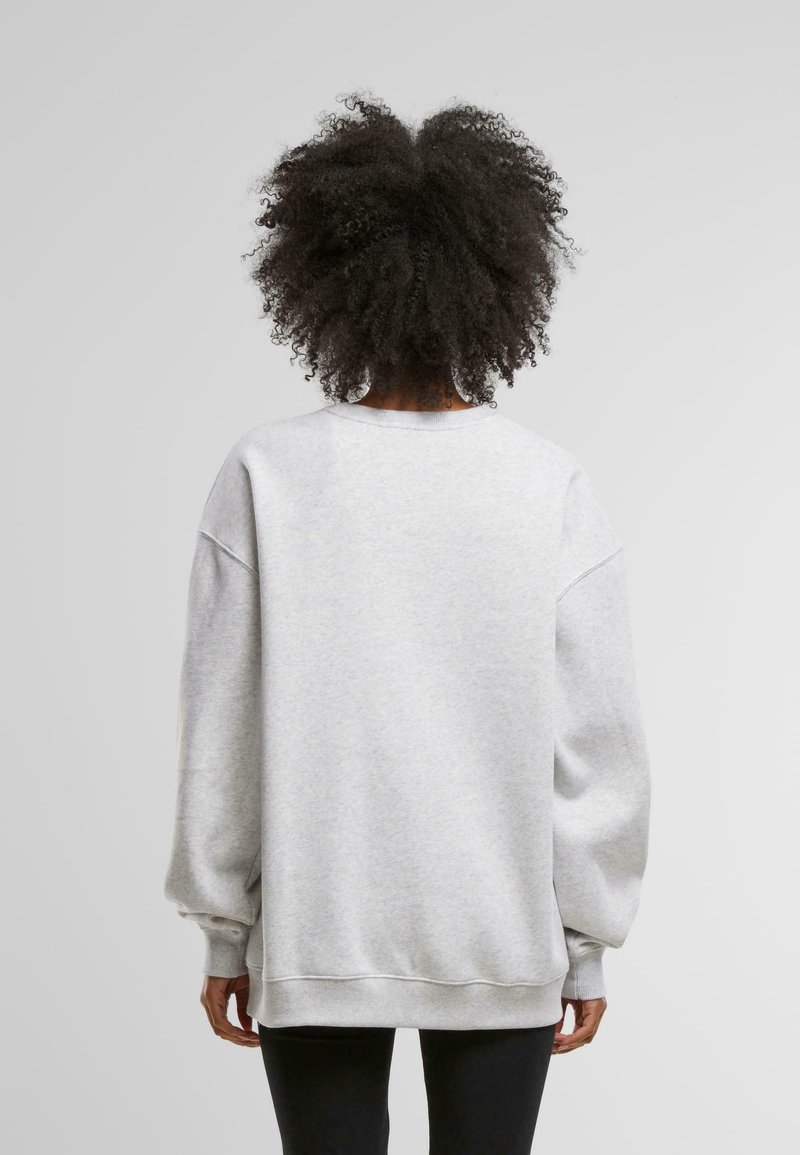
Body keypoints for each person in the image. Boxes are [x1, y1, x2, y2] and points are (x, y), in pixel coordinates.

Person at [163, 91, 651, 1154]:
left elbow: (220, 734)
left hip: (316, 934)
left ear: (325, 280)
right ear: (501, 279)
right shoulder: (548, 484)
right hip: (500, 941)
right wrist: (586, 946)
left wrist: (225, 932)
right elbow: (598, 745)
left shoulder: (267, 474)